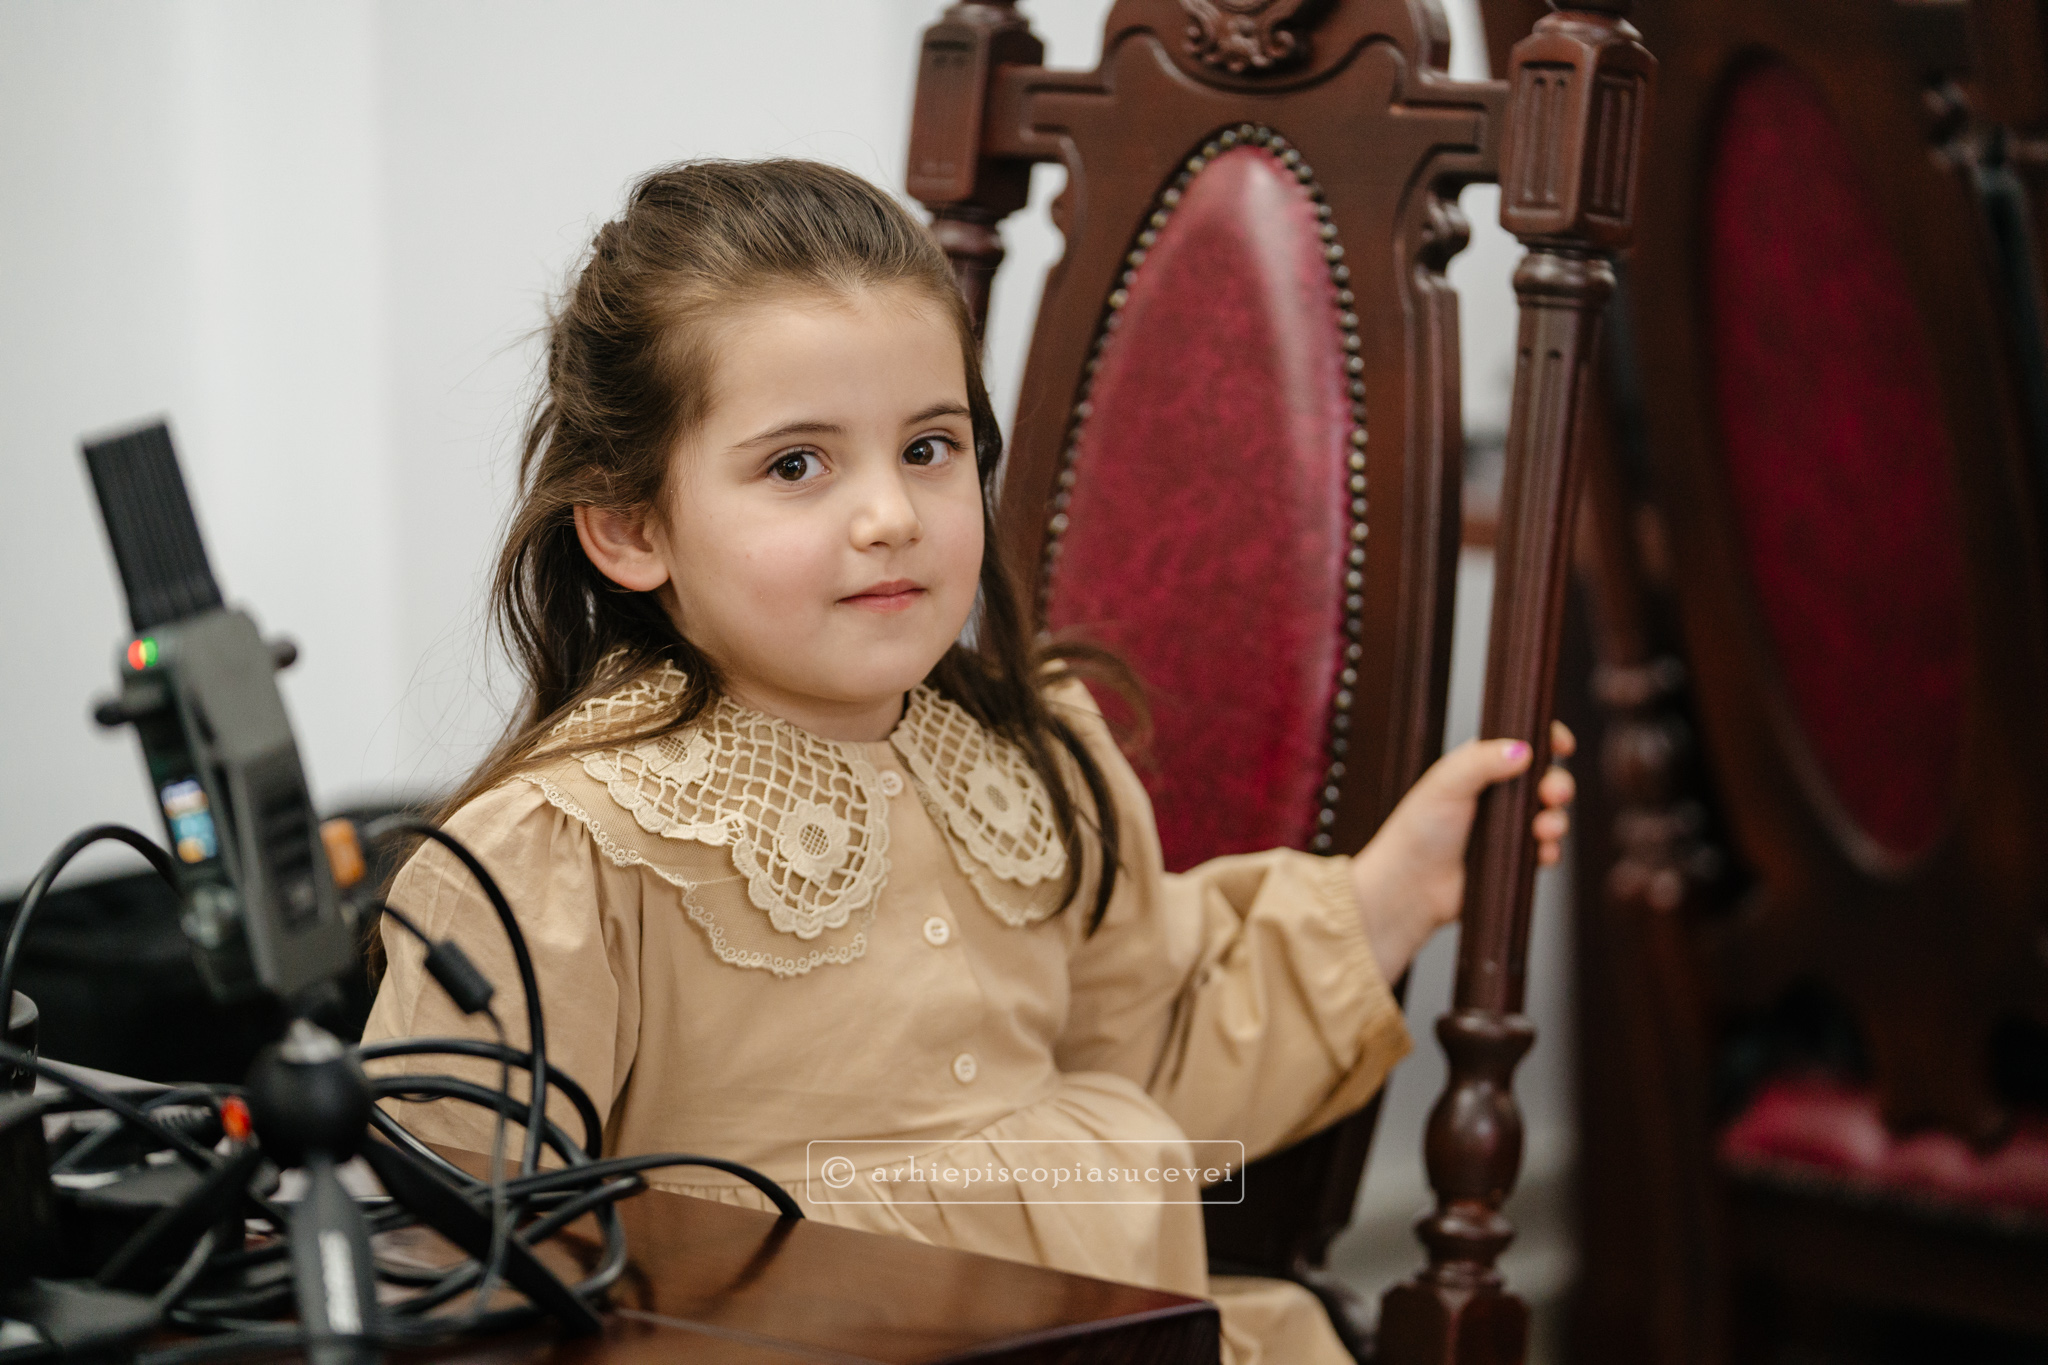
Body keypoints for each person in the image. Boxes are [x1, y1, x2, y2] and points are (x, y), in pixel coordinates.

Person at [361, 158, 1576, 1365]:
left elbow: (1151, 1058)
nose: (891, 515)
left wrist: (1399, 890)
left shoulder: (1029, 762)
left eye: (929, 448)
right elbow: (450, 1258)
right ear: (631, 528)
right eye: (796, 465)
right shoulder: (560, 852)